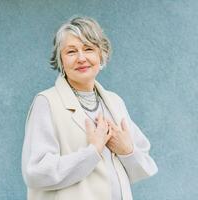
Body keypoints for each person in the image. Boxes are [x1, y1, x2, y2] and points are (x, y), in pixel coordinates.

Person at [21, 16, 158, 200]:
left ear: (101, 55)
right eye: (71, 51)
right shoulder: (46, 102)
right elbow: (36, 172)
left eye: (89, 49)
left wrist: (127, 151)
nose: (81, 58)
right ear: (60, 60)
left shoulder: (114, 102)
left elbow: (145, 164)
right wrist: (92, 152)